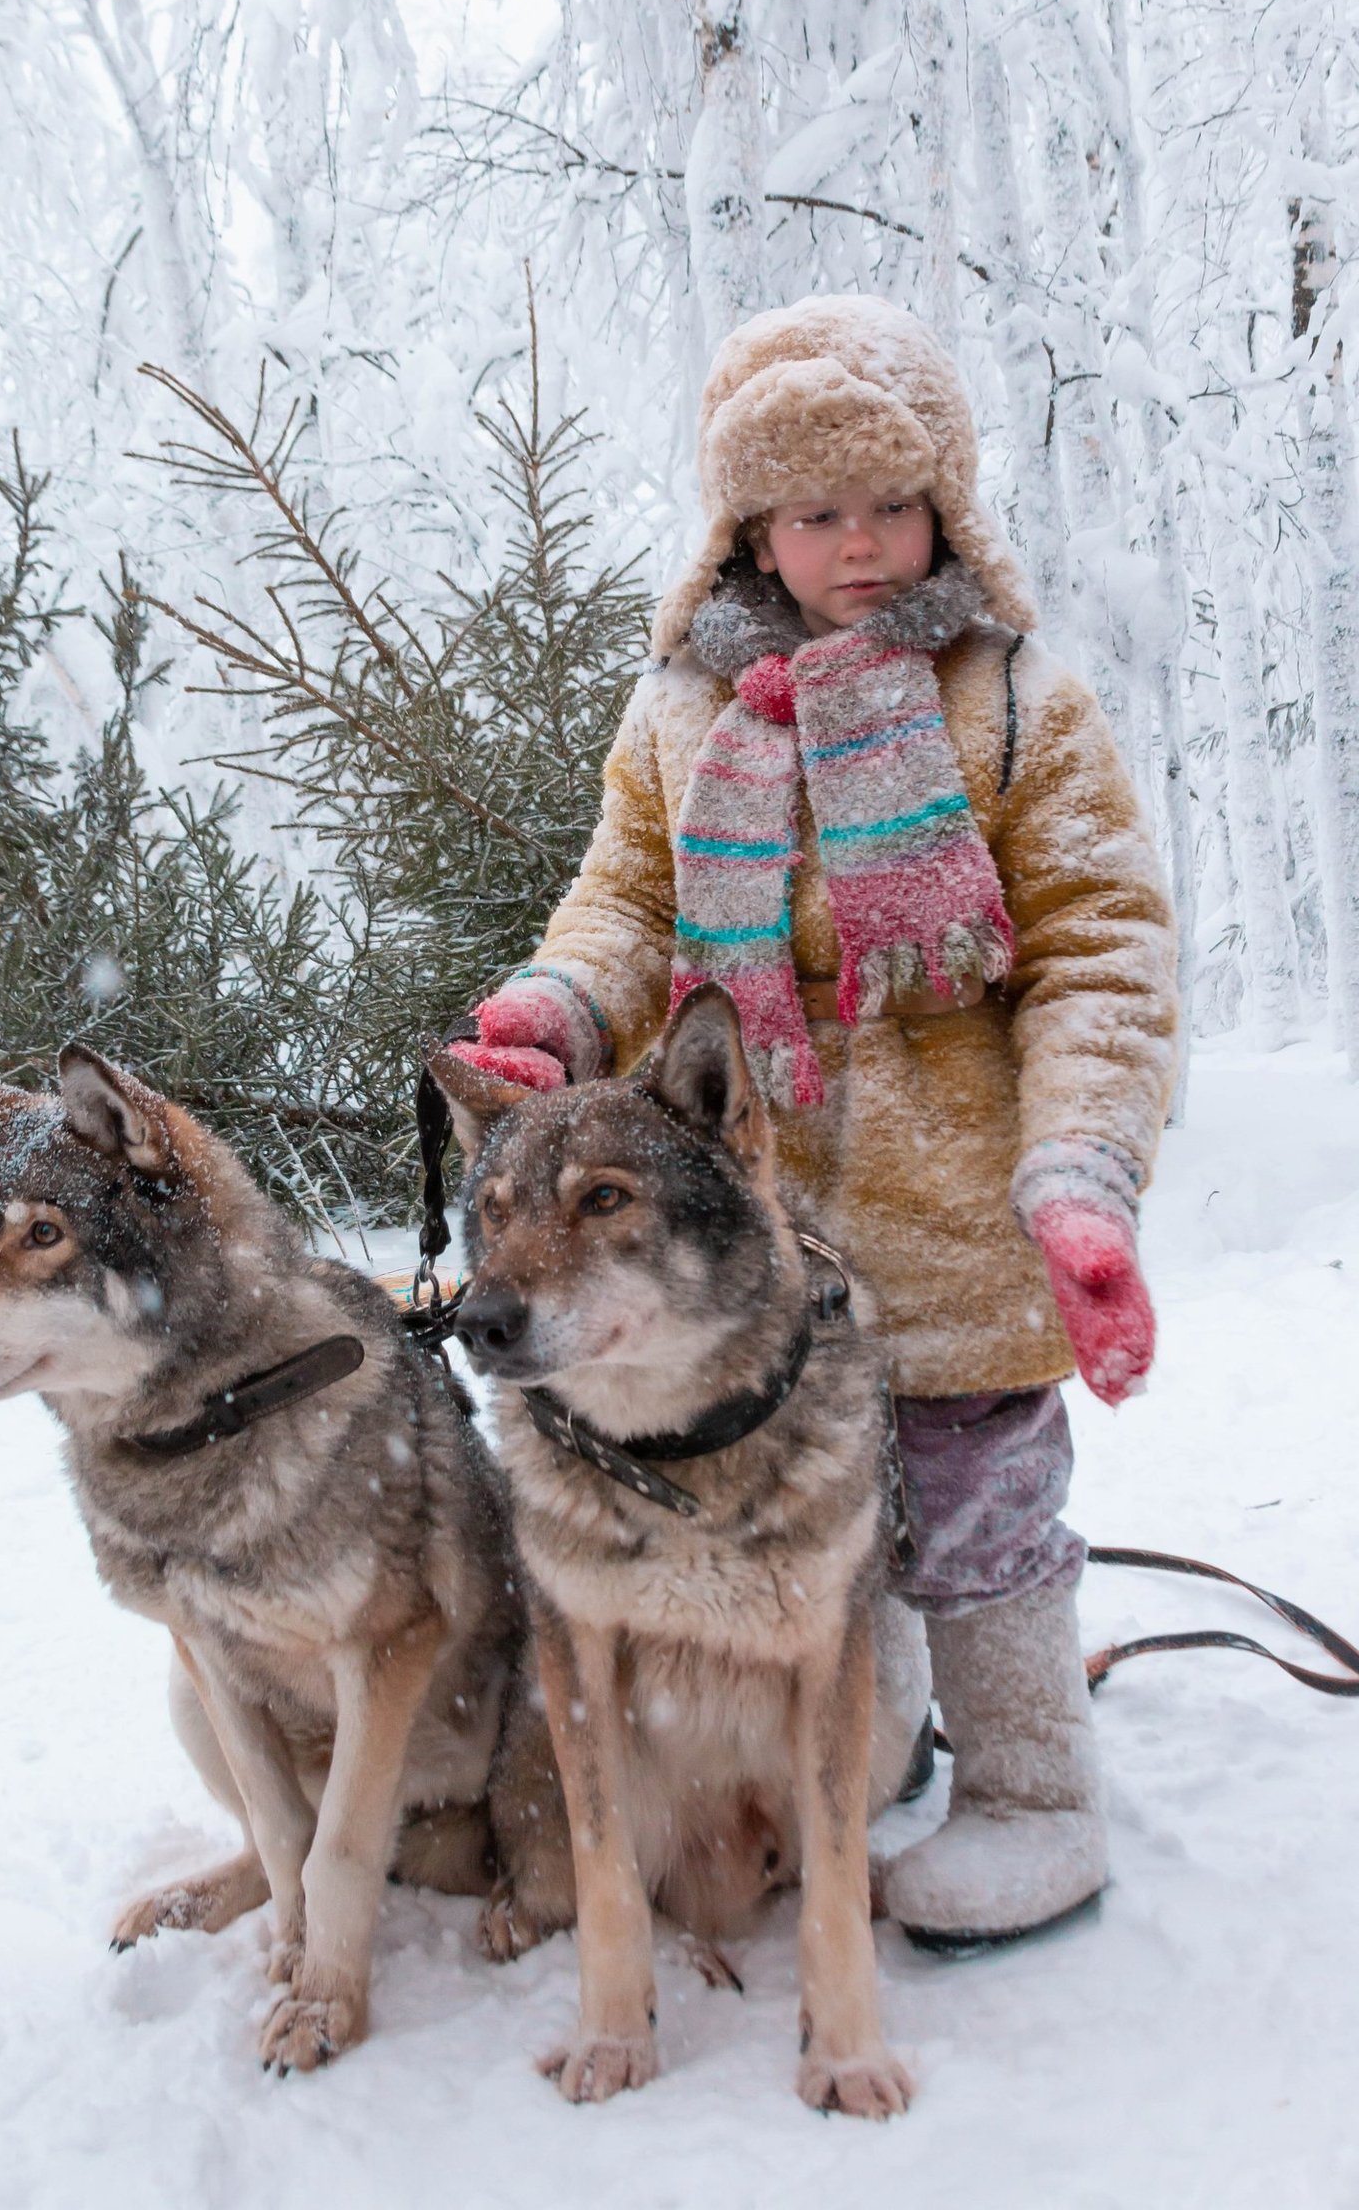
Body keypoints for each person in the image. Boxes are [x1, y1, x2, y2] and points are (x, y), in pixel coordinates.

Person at [451, 294, 1178, 1949]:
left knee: (978, 1513)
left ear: (948, 507)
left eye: (892, 504)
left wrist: (1076, 1177)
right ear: (751, 528)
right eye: (815, 512)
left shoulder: (1007, 701)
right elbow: (625, 911)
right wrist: (552, 1013)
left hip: (960, 1219)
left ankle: (1033, 1795)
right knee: (840, 1521)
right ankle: (886, 1761)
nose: (859, 543)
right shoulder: (682, 716)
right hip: (764, 1260)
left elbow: (1102, 957)